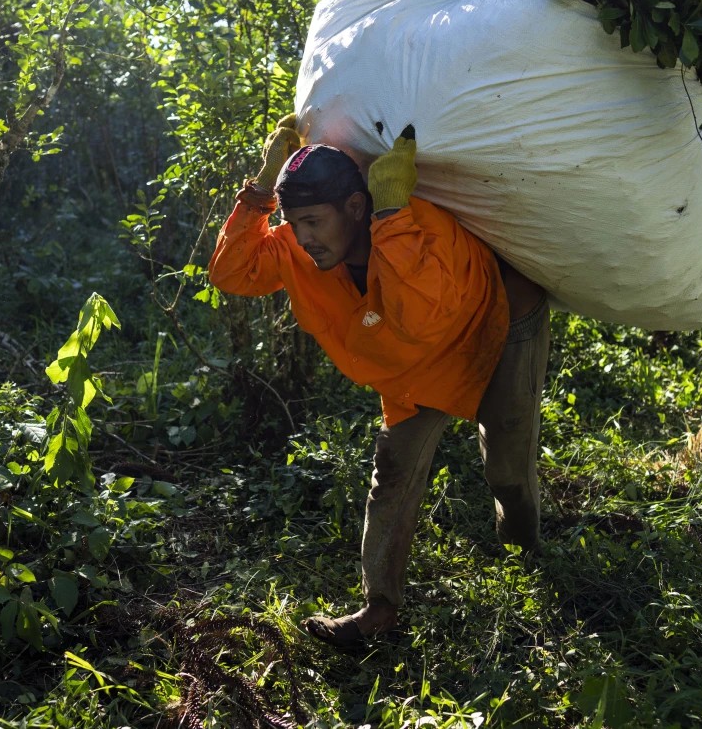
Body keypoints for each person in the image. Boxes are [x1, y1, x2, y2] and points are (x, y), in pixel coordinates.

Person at [208, 115, 550, 646]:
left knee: (507, 464)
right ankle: (378, 611)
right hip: (417, 364)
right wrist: (262, 186)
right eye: (294, 223)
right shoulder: (298, 248)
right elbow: (231, 273)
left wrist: (392, 212)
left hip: (501, 318)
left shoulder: (418, 227)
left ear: (354, 206)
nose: (304, 238)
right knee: (392, 472)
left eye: (314, 222)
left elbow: (420, 316)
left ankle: (525, 549)